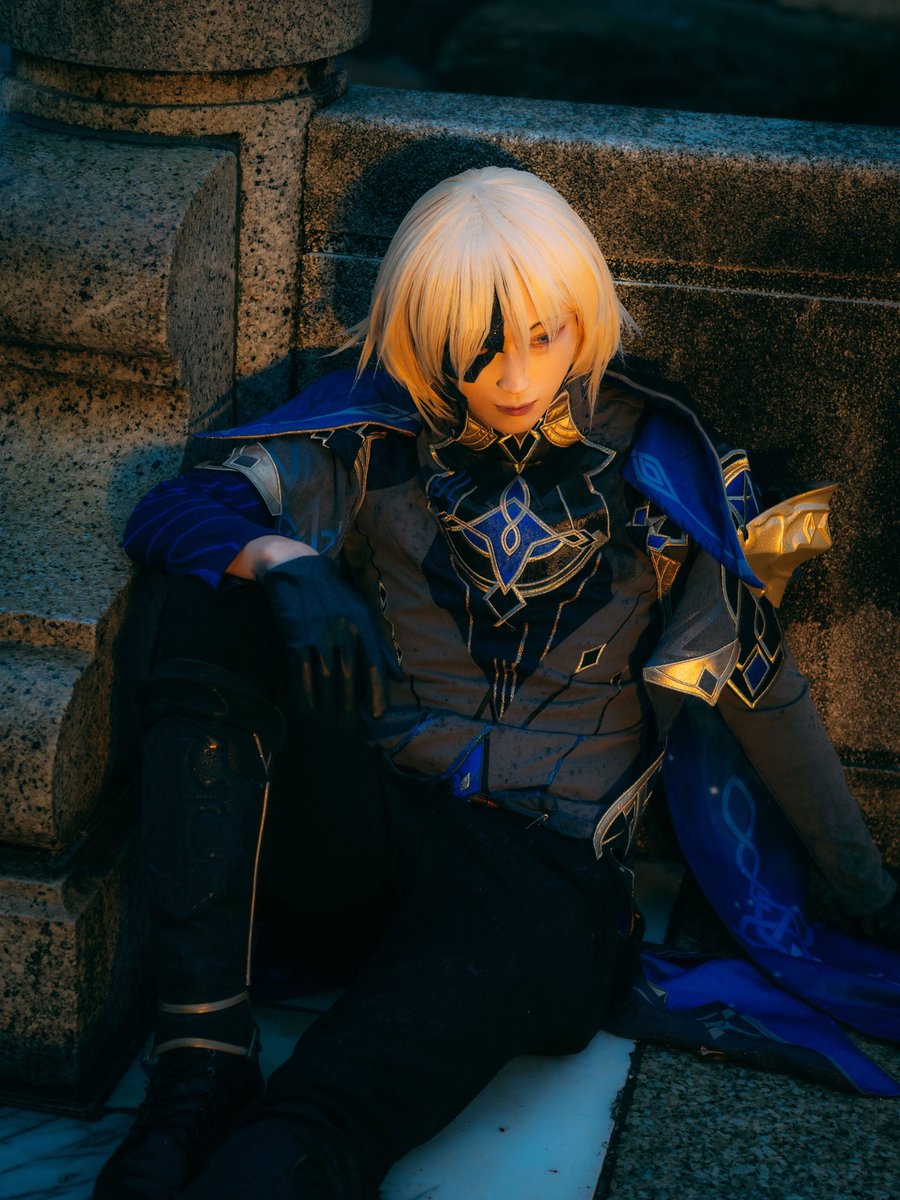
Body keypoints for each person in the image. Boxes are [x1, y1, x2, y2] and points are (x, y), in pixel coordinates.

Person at [94, 166, 898, 1200]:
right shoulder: (370, 433)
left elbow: (760, 684)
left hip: (539, 878)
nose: (515, 375)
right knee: (215, 591)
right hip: (368, 836)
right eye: (476, 344)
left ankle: (273, 1159)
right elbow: (171, 512)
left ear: (583, 317)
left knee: (325, 1120)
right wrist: (285, 563)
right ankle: (199, 1060)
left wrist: (867, 891)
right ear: (424, 332)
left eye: (543, 336)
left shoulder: (667, 470)